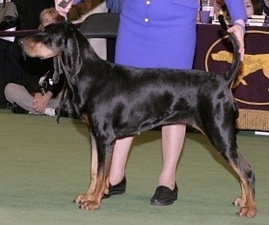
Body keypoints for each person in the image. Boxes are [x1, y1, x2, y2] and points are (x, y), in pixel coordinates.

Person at [54, 0, 247, 206]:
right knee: (123, 101)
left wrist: (239, 21)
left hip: (175, 23)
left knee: (176, 103)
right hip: (133, 22)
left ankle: (167, 179)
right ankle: (114, 176)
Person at [4, 8, 67, 116]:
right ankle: (49, 111)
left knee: (71, 97)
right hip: (36, 93)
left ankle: (28, 108)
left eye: (54, 21)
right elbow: (29, 74)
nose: (50, 24)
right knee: (9, 89)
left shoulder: (65, 45)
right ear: (42, 25)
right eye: (47, 21)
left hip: (54, 94)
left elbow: (61, 76)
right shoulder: (35, 45)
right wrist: (38, 94)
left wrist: (47, 96)